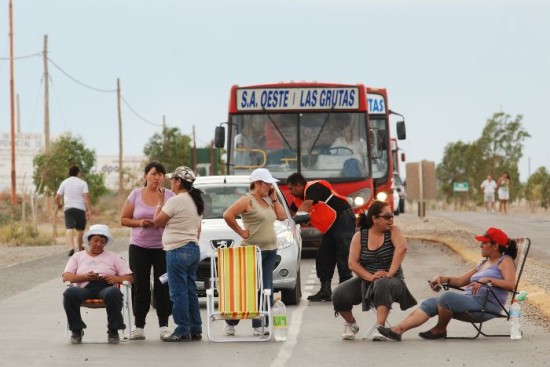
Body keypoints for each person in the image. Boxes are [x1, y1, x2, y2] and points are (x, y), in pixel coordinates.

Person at [377, 227, 517, 342]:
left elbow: (511, 285)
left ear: (496, 246)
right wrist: (441, 278)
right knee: (431, 302)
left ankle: (440, 329)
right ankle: (398, 330)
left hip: (486, 305)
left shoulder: (505, 261)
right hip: (472, 301)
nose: (480, 245)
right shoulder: (483, 263)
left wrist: (488, 279)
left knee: (446, 298)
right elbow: (460, 281)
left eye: (484, 243)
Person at [332, 200, 417, 341]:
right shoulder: (359, 236)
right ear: (375, 219)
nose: (391, 219)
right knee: (339, 293)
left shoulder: (394, 231)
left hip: (393, 281)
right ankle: (350, 323)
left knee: (382, 283)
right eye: (387, 216)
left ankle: (380, 327)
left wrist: (390, 273)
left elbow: (402, 248)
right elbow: (352, 263)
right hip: (367, 279)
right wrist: (370, 277)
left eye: (392, 216)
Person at [222, 168, 287, 336]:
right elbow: (228, 215)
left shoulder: (268, 200)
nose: (269, 186)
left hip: (270, 250)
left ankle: (260, 323)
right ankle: (231, 322)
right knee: (248, 289)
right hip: (252, 251)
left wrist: (274, 198)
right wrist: (241, 232)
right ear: (257, 184)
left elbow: (282, 216)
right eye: (266, 183)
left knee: (267, 288)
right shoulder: (247, 200)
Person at [120, 162, 175, 340]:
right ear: (145, 176)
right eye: (153, 174)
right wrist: (140, 223)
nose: (157, 178)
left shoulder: (170, 195)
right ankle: (139, 326)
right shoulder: (136, 194)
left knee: (163, 286)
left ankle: (164, 326)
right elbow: (124, 219)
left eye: (160, 174)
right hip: (139, 247)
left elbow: (176, 219)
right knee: (140, 286)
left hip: (163, 247)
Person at [153, 166, 204, 342]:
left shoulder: (176, 200)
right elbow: (198, 229)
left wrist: (160, 202)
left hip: (177, 249)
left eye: (172, 180)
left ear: (178, 181)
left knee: (178, 293)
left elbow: (157, 222)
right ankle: (195, 328)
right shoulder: (196, 200)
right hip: (192, 249)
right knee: (190, 291)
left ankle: (182, 328)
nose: (170, 183)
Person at [286, 172, 355, 301]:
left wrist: (297, 218)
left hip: (343, 218)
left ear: (299, 186)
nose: (289, 192)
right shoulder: (298, 200)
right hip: (330, 226)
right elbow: (289, 213)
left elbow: (307, 204)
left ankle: (346, 291)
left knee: (343, 254)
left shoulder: (313, 187)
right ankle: (325, 290)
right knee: (323, 256)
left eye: (291, 188)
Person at [62, 224, 134, 344]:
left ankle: (113, 330)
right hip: (85, 288)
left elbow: (130, 277)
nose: (99, 244)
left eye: (102, 242)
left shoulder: (113, 257)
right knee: (69, 293)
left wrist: (115, 279)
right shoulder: (78, 256)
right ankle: (76, 330)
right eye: (95, 240)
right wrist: (84, 276)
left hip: (105, 287)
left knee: (114, 292)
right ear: (89, 240)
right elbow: (66, 277)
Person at [56, 165, 92, 256]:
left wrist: (59, 204)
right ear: (78, 173)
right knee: (80, 229)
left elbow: (57, 197)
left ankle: (71, 248)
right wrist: (89, 210)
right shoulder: (83, 183)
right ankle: (80, 248)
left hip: (68, 208)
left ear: (69, 173)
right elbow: (86, 197)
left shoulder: (64, 182)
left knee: (69, 228)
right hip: (80, 208)